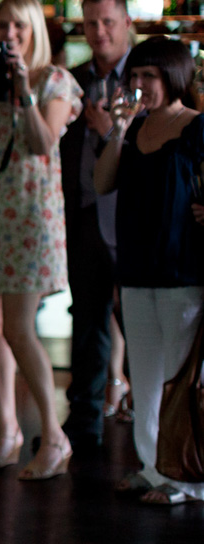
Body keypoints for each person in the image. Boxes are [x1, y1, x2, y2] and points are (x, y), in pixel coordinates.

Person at [0, 0, 82, 479]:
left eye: (19, 28)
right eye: (1, 26)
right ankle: (6, 430)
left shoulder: (55, 80)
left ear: (35, 32)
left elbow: (42, 141)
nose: (8, 35)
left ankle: (53, 435)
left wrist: (24, 88)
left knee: (17, 327)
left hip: (30, 218)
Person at [95, 36, 204, 506]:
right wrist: (117, 130)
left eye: (149, 77)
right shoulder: (134, 128)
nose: (139, 85)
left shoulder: (197, 127)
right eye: (134, 76)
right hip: (137, 267)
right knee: (145, 372)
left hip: (183, 267)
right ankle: (151, 465)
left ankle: (184, 476)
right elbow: (103, 182)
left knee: (183, 376)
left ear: (173, 77)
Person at [60, 0, 131, 448]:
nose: (99, 32)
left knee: (138, 323)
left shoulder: (148, 77)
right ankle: (83, 421)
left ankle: (155, 426)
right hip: (84, 213)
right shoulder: (72, 78)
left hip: (132, 216)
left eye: (108, 22)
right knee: (85, 320)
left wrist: (111, 133)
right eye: (91, 23)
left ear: (128, 23)